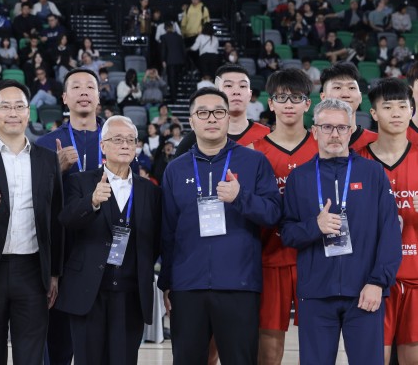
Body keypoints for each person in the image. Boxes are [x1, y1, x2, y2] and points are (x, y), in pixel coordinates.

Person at [158, 87, 282, 365]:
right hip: (188, 286)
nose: (211, 118)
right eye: (203, 113)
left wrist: (241, 198)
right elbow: (167, 232)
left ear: (228, 118)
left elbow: (274, 213)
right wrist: (167, 283)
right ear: (191, 121)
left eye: (218, 112)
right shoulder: (175, 169)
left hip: (238, 284)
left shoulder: (254, 162)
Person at [281, 98, 401, 365]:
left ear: (351, 130)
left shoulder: (373, 173)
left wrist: (378, 282)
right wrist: (315, 226)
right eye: (326, 127)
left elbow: (390, 232)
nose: (334, 134)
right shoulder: (298, 178)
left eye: (341, 127)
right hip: (316, 294)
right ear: (314, 131)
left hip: (364, 293)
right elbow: (287, 234)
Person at [0, 79, 63, 365]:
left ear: (29, 112)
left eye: (19, 106)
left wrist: (54, 272)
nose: (13, 112)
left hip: (33, 271)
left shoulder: (47, 160)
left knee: (30, 356)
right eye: (5, 107)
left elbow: (56, 218)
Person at [57, 115, 162, 365]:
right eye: (117, 139)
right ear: (103, 146)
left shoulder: (150, 191)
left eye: (130, 140)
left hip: (131, 296)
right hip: (88, 294)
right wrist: (91, 202)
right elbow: (65, 222)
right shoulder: (80, 182)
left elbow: (157, 239)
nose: (125, 145)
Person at [246, 68, 317, 365]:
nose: (289, 103)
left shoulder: (324, 145)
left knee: (317, 340)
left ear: (307, 104)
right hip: (269, 258)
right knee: (269, 343)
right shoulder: (251, 151)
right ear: (270, 103)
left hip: (315, 256)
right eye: (281, 97)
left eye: (296, 97)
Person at [357, 78, 418, 362]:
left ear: (411, 111)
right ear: (373, 113)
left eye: (402, 106)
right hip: (372, 281)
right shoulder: (356, 162)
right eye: (388, 106)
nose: (396, 113)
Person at [175, 64, 271, 156]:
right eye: (229, 86)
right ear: (217, 92)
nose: (236, 92)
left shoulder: (268, 136)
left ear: (250, 94)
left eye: (242, 86)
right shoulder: (195, 139)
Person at [319, 62, 379, 150]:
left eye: (351, 88)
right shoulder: (310, 142)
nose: (345, 94)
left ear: (360, 97)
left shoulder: (377, 142)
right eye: (337, 88)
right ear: (323, 97)